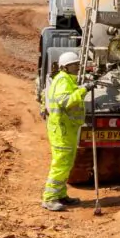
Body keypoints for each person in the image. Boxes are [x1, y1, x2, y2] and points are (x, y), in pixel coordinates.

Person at [41, 50, 83, 212]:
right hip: (62, 130)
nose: (77, 69)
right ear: (65, 68)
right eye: (74, 66)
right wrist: (83, 90)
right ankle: (49, 198)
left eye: (78, 65)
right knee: (60, 164)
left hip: (66, 129)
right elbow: (66, 101)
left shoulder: (66, 79)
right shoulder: (63, 81)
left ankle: (61, 194)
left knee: (67, 163)